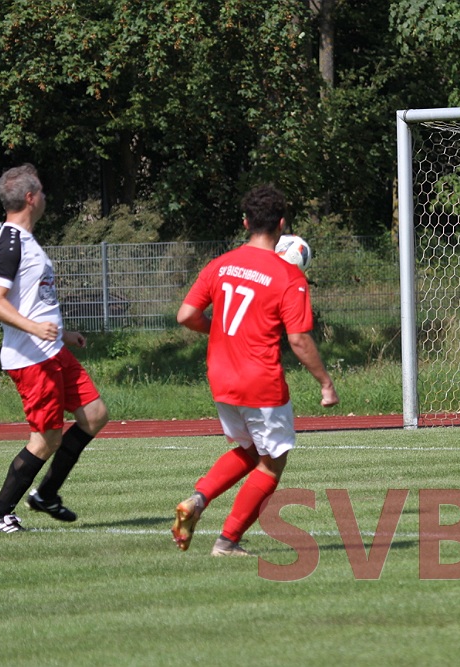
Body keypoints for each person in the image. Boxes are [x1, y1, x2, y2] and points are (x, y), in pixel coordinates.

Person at [171, 183, 339, 556]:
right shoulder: (288, 276)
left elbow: (185, 315)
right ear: (281, 224)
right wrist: (326, 383)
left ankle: (197, 499)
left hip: (221, 376)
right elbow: (299, 340)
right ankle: (227, 541)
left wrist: (217, 330)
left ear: (245, 222)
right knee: (273, 463)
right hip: (260, 381)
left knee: (249, 449)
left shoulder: (220, 264)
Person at [0, 164, 109, 533]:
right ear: (31, 198)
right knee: (47, 438)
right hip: (31, 359)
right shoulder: (9, 242)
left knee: (95, 415)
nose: (45, 197)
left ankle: (46, 495)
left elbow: (33, 301)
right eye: (42, 192)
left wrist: (62, 334)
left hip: (52, 350)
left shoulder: (26, 240)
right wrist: (36, 328)